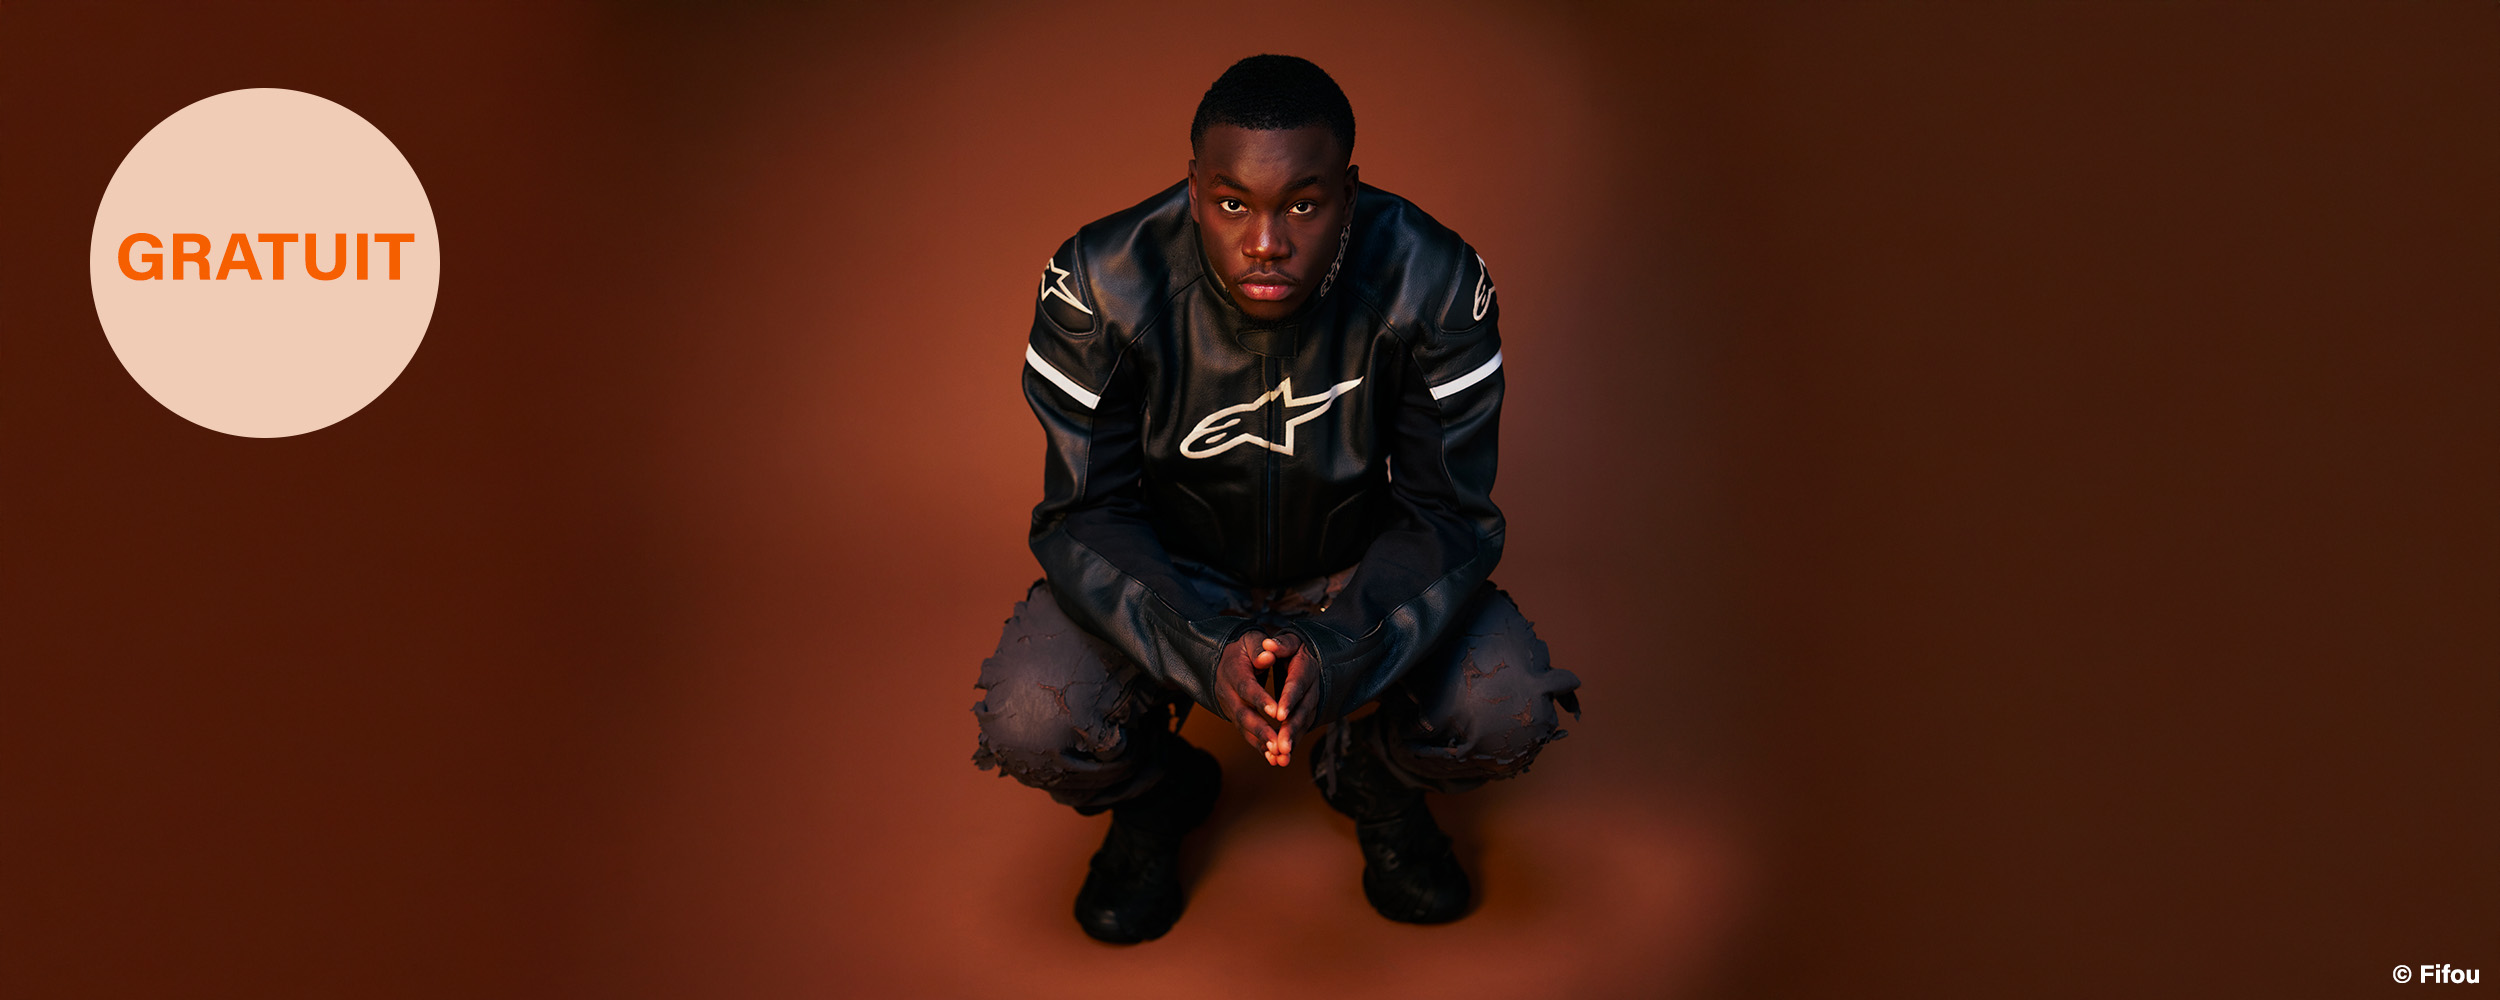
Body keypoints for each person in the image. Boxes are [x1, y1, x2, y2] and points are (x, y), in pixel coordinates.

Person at [971, 54, 1581, 944]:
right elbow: (1083, 515)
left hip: (1351, 576)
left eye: (1302, 205)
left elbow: (1447, 516)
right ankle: (1159, 798)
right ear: (1193, 191)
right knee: (1032, 715)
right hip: (1177, 575)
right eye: (1232, 204)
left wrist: (1339, 648)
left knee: (1506, 705)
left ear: (1348, 194)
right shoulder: (1100, 282)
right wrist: (1203, 643)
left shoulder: (1436, 280)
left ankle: (1375, 780)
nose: (1266, 243)